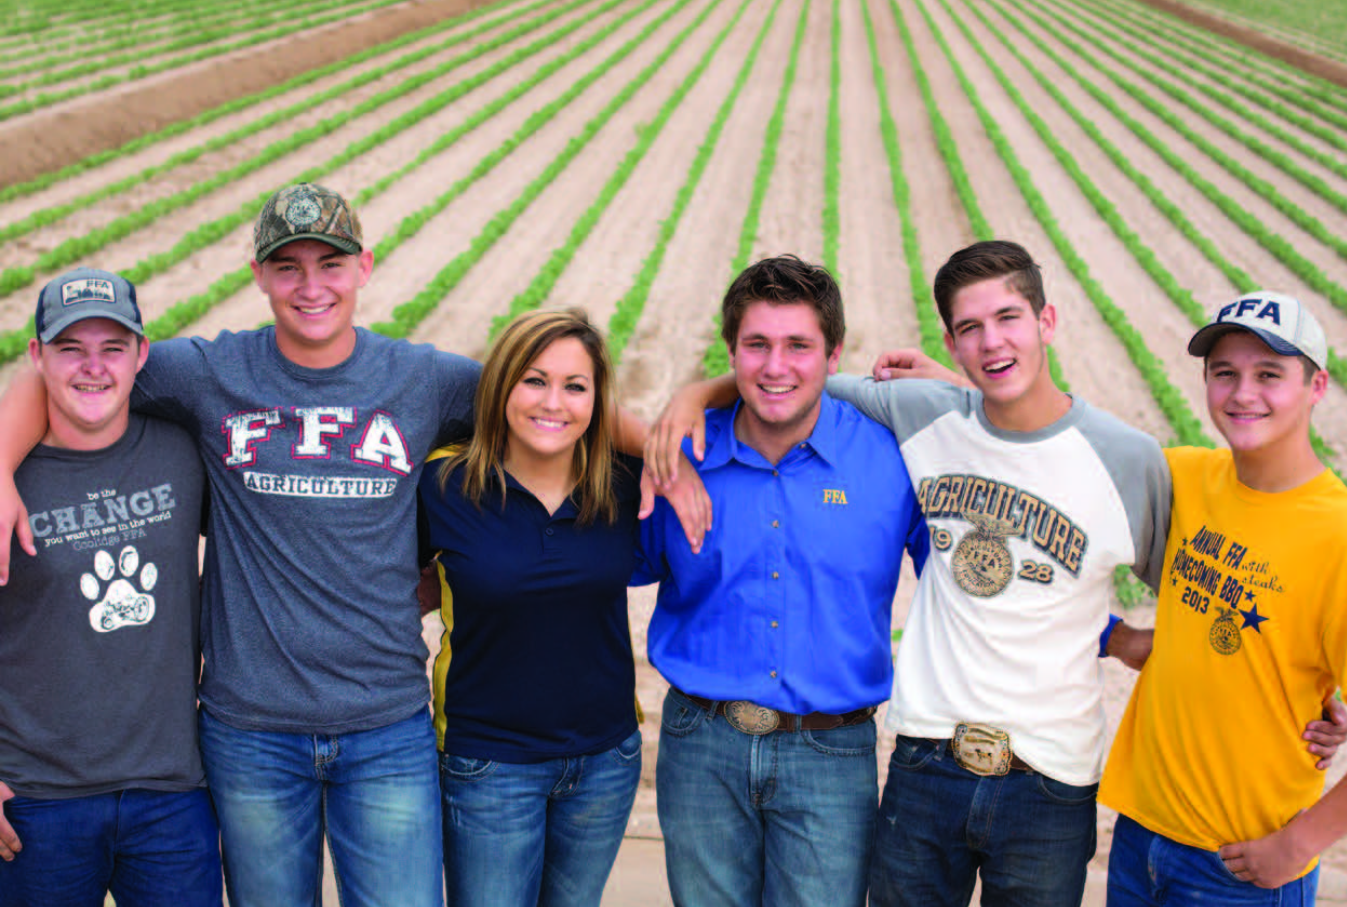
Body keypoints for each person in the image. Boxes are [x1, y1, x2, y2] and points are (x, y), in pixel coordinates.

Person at [646, 241, 1346, 906]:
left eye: (1008, 318)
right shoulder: (923, 417)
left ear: (1046, 320)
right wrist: (693, 396)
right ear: (949, 344)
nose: (990, 341)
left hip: (1051, 781)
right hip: (927, 764)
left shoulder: (1137, 462)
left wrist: (1312, 701)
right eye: (969, 328)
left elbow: (1219, 601)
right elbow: (786, 381)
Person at [0, 185, 479, 907]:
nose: (310, 285)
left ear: (365, 267)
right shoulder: (206, 374)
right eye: (286, 266)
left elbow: (551, 399)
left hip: (385, 723)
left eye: (331, 263)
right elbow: (70, 374)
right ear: (256, 274)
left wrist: (685, 419)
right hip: (250, 731)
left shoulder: (423, 378)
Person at [634, 254, 930, 906]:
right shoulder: (679, 455)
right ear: (730, 352)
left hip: (830, 753)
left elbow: (962, 581)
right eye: (756, 345)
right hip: (700, 750)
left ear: (833, 354)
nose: (775, 367)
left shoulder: (891, 460)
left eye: (798, 345)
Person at [1099, 291, 1347, 904]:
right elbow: (1051, 450)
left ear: (1316, 387)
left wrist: (1299, 844)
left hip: (1239, 866)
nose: (1242, 394)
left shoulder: (1336, 535)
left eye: (1270, 375)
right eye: (1224, 373)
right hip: (1140, 835)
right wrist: (1122, 638)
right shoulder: (1187, 476)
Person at [419, 308, 659, 906]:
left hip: (605, 758)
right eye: (534, 380)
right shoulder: (444, 484)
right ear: (501, 384)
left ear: (598, 401)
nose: (553, 402)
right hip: (487, 764)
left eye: (575, 386)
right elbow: (400, 586)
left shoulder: (624, 481)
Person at [0, 269, 220, 905]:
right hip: (36, 801)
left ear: (142, 355)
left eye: (112, 348)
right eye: (70, 348)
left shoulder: (183, 451)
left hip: (171, 794)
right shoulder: (10, 480)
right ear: (37, 356)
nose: (92, 368)